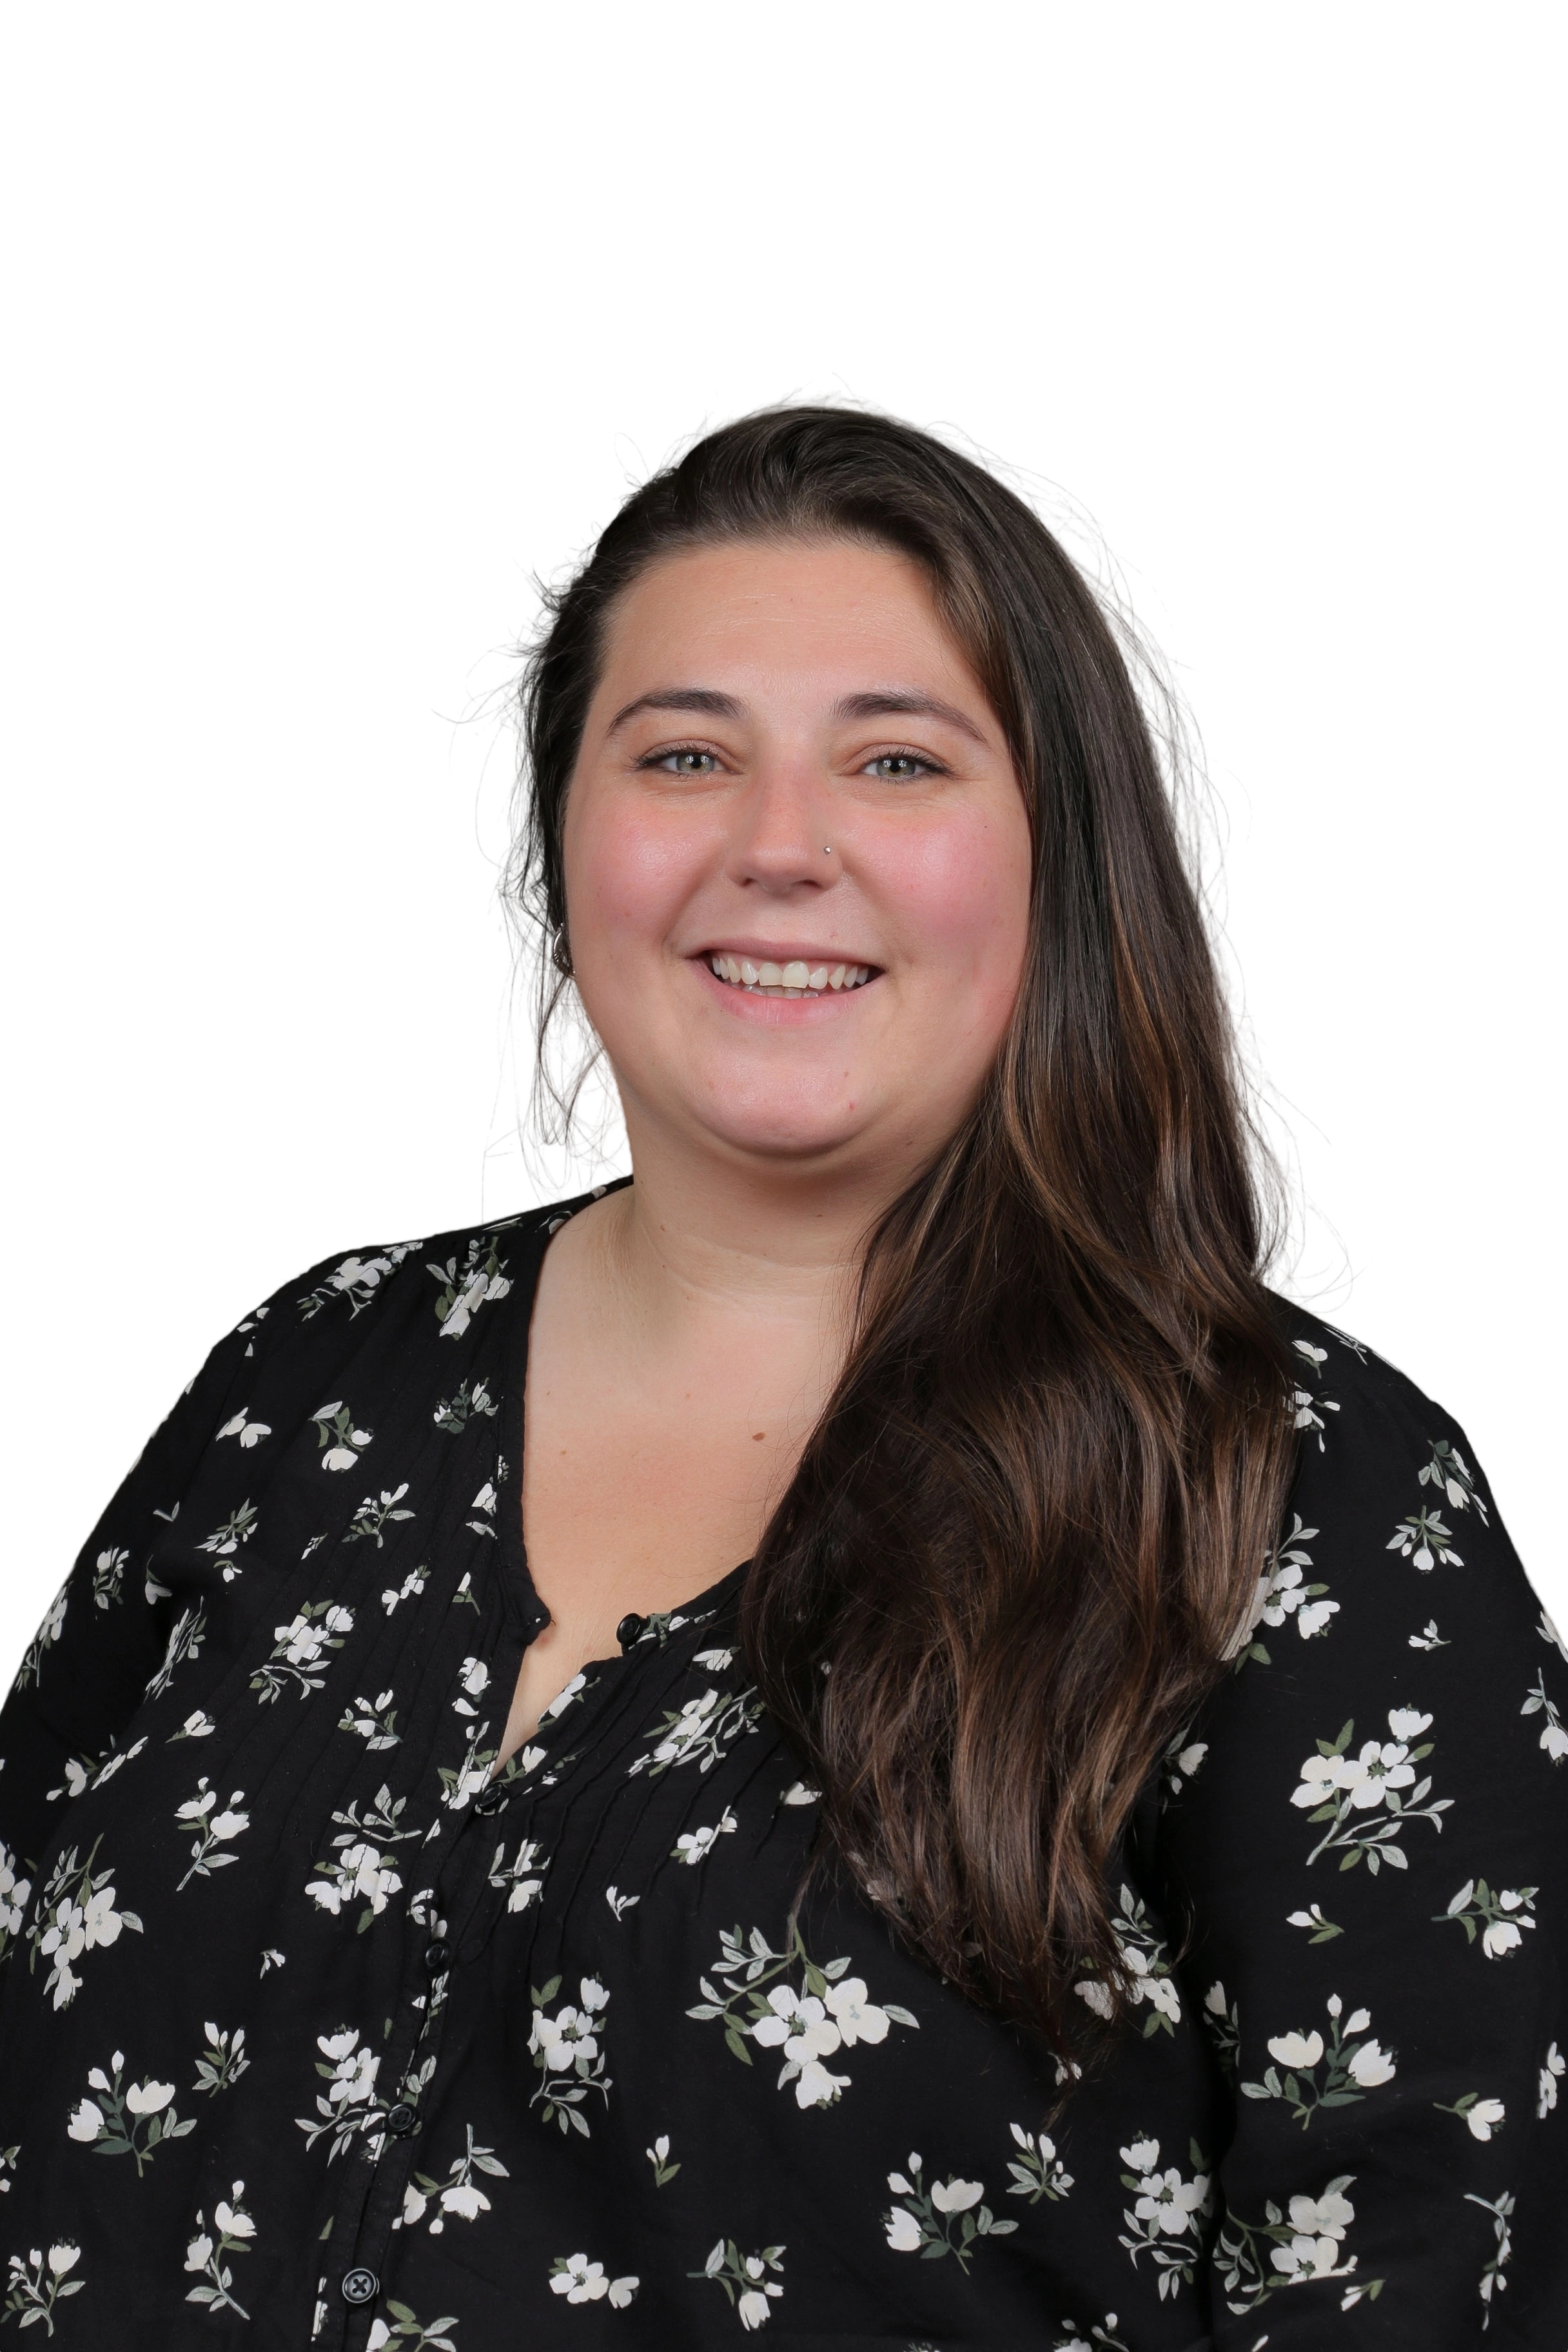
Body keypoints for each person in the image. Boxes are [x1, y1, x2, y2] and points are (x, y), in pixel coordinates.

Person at [1, 379, 1563, 2351]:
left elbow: (1434, 2265)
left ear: (1067, 860)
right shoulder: (304, 1385)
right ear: (557, 846)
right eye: (684, 755)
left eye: (897, 761)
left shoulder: (1297, 1489)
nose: (778, 847)